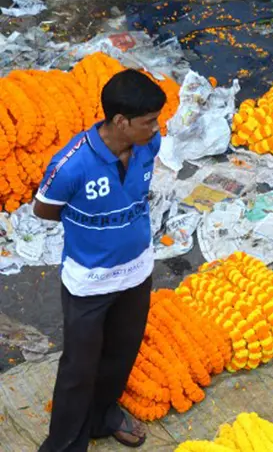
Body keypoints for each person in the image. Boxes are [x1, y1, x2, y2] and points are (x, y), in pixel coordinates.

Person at [33, 70, 168, 451]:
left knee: (120, 354)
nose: (156, 128)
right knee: (79, 368)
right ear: (121, 121)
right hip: (90, 281)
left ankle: (103, 416)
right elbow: (44, 208)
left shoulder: (148, 144)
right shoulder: (72, 165)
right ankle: (64, 444)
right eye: (148, 121)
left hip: (137, 271)